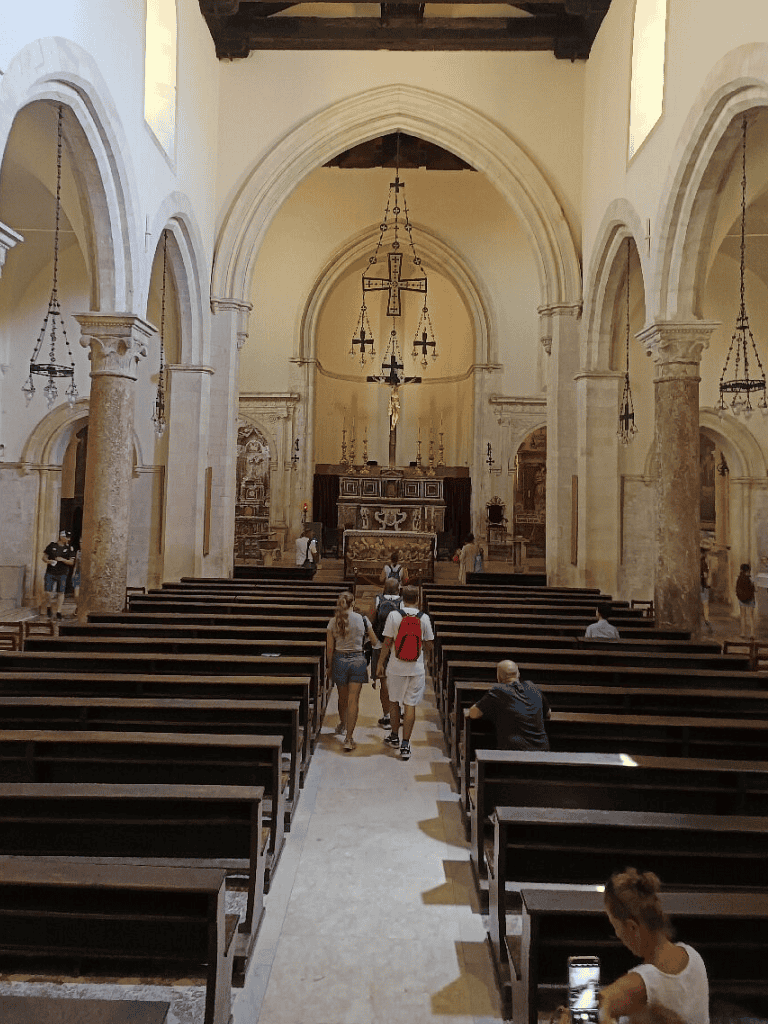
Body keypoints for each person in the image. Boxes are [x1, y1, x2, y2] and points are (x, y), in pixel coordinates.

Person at [600, 867, 709, 1024]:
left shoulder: (646, 981)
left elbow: (598, 1005)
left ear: (632, 927)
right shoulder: (694, 957)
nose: (617, 935)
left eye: (616, 927)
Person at [376, 584, 434, 761]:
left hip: (396, 666)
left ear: (402, 597)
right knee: (410, 705)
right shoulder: (424, 618)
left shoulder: (394, 615)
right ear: (418, 599)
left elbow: (387, 642)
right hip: (416, 668)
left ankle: (394, 735)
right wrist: (424, 654)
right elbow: (430, 644)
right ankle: (405, 743)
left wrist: (380, 663)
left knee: (394, 702)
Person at [326, 591, 378, 751]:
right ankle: (349, 738)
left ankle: (342, 723)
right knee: (353, 700)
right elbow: (375, 642)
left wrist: (329, 667)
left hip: (339, 660)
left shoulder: (333, 621)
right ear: (353, 603)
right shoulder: (363, 619)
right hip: (357, 661)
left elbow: (329, 648)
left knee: (342, 698)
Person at [465, 659, 550, 750]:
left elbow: (474, 714)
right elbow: (548, 713)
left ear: (498, 677)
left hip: (514, 753)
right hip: (542, 750)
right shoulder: (533, 687)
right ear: (518, 674)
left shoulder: (498, 692)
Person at [370, 578, 403, 730]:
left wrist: (375, 641)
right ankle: (397, 710)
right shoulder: (402, 602)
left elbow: (371, 621)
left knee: (383, 680)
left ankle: (386, 715)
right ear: (398, 589)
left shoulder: (378, 599)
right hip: (397, 646)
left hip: (380, 643)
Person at [41, 528, 76, 620]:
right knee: (48, 592)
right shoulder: (52, 545)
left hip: (62, 573)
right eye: (66, 537)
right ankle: (49, 606)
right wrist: (49, 561)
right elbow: (44, 557)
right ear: (61, 536)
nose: (68, 539)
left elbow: (71, 562)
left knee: (61, 592)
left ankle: (58, 611)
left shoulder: (69, 548)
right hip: (51, 572)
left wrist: (62, 560)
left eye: (69, 537)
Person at [735, 562, 755, 638]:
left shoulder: (739, 578)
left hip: (742, 599)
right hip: (750, 599)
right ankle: (752, 634)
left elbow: (737, 589)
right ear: (748, 570)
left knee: (743, 616)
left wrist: (739, 597)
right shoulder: (751, 578)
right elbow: (754, 589)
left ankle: (743, 633)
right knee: (751, 617)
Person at [700, 549, 713, 634]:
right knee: (705, 603)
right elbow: (705, 575)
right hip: (703, 586)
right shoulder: (703, 562)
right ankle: (706, 619)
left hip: (700, 585)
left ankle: (706, 618)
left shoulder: (699, 562)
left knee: (704, 603)